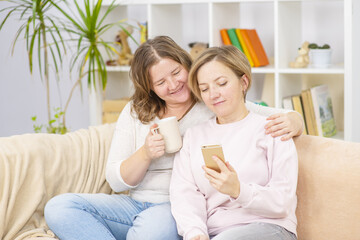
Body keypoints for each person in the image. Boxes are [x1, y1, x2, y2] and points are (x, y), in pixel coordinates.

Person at [44, 36, 302, 240]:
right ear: (150, 88)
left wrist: (295, 119)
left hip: (170, 210)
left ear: (187, 66)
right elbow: (117, 180)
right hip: (136, 204)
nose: (173, 84)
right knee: (59, 208)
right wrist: (145, 153)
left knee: (150, 233)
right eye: (160, 82)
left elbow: (250, 113)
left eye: (176, 73)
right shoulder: (138, 111)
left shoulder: (210, 103)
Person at [169, 45, 298, 240]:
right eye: (204, 89)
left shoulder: (273, 129)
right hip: (215, 232)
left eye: (221, 83)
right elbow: (184, 193)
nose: (213, 94)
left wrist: (238, 190)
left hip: (270, 227)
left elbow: (283, 201)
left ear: (243, 82)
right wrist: (195, 232)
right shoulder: (194, 136)